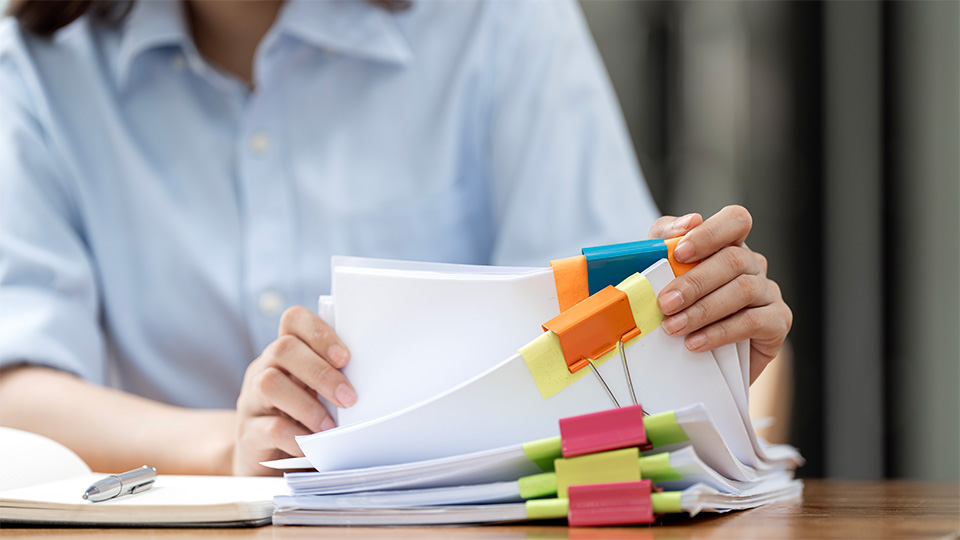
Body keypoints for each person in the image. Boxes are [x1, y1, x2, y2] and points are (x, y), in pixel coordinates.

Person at [0, 0, 792, 476]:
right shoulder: (35, 67)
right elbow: (16, 389)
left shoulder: (495, 21)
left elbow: (622, 347)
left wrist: (702, 346)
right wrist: (231, 448)